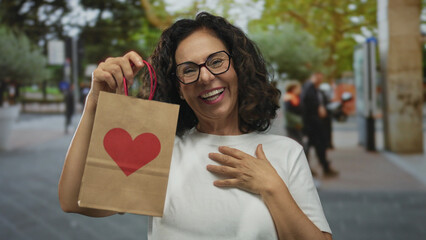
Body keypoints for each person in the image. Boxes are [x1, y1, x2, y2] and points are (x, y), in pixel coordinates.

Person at [58, 12, 332, 240]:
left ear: (238, 68)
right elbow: (73, 200)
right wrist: (94, 104)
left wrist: (271, 187)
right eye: (189, 69)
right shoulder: (161, 151)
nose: (205, 76)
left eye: (216, 62)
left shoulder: (285, 152)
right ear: (178, 88)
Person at [301, 72, 338, 178]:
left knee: (317, 146)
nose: (321, 78)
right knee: (314, 146)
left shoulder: (315, 89)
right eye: (319, 76)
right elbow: (308, 103)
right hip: (312, 123)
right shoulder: (309, 88)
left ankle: (323, 166)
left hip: (316, 123)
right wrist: (318, 108)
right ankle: (319, 167)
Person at [283, 81, 303, 146]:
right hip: (293, 125)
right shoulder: (289, 98)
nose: (300, 90)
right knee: (296, 142)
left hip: (296, 124)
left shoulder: (295, 96)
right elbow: (288, 113)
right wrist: (298, 122)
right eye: (299, 88)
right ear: (293, 89)